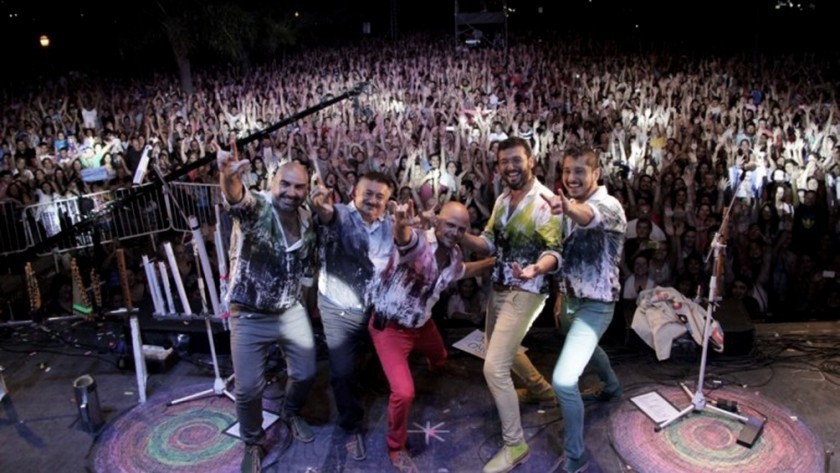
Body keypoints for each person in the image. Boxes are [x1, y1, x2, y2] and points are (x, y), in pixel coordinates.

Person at [460, 136, 562, 473]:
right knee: (497, 347)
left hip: (528, 289)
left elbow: (554, 251)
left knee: (494, 366)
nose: (510, 167)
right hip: (500, 286)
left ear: (531, 160)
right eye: (504, 161)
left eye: (516, 160)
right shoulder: (503, 199)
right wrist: (458, 234)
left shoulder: (544, 201)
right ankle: (541, 390)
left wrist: (536, 267)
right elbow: (487, 243)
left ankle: (515, 443)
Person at [368, 200, 494, 472]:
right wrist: (401, 223)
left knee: (439, 355)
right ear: (437, 221)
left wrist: (492, 262)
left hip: (422, 325)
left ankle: (437, 365)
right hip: (390, 328)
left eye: (461, 229)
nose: (454, 232)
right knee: (403, 392)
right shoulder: (419, 241)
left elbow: (462, 272)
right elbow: (403, 238)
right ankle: (395, 447)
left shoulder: (457, 254)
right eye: (450, 224)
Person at [218, 149, 319, 473]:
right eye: (285, 184)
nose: (291, 192)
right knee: (248, 390)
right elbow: (237, 199)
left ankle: (290, 412)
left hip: (289, 311)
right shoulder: (258, 208)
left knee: (305, 373)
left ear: (307, 189)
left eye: (299, 187)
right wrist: (229, 176)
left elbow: (306, 267)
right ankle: (253, 441)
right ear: (272, 182)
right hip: (249, 314)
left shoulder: (305, 218)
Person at [540, 147, 625, 473]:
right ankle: (612, 387)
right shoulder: (567, 209)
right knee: (588, 350)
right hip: (572, 298)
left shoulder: (609, 205)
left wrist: (567, 208)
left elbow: (590, 217)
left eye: (579, 172)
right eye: (566, 171)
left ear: (596, 174)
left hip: (598, 304)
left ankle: (576, 457)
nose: (571, 178)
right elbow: (564, 256)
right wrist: (561, 294)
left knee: (563, 380)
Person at [309, 171, 395, 462]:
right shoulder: (342, 216)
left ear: (387, 201)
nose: (372, 200)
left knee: (377, 357)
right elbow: (328, 217)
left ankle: (371, 379)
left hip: (374, 310)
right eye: (367, 193)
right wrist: (322, 207)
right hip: (338, 309)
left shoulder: (390, 226)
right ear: (353, 194)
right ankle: (351, 425)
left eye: (379, 196)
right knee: (343, 373)